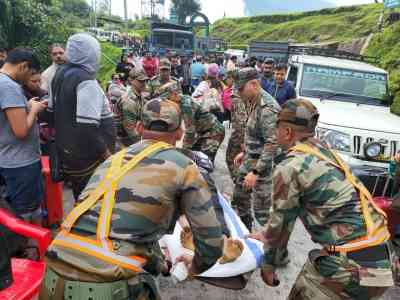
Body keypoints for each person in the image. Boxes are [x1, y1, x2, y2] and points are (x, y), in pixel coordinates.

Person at [40, 98, 223, 300]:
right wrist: (194, 266)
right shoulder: (184, 166)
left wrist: (160, 263)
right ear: (180, 132)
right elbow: (212, 244)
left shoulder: (113, 161)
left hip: (52, 279)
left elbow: (114, 229)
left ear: (138, 127)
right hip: (105, 287)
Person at [249, 99, 396, 299]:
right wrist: (267, 234)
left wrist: (268, 265)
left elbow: (282, 222)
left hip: (351, 268)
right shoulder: (324, 150)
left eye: (277, 129)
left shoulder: (290, 167)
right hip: (384, 264)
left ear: (287, 132)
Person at [48, 33, 116, 201]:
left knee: (81, 198)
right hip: (89, 159)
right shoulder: (86, 81)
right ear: (91, 54)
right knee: (94, 202)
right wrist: (107, 156)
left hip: (70, 154)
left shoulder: (60, 74)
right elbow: (87, 128)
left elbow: (52, 111)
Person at [0, 48, 47, 224]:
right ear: (23, 66)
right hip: (21, 163)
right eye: (31, 73)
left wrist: (25, 106)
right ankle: (33, 249)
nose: (29, 79)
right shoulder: (9, 86)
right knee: (28, 212)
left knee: (11, 210)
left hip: (6, 157)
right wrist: (33, 110)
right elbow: (20, 131)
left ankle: (20, 248)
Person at [232, 68, 281, 231]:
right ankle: (246, 234)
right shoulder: (252, 100)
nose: (238, 93)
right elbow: (255, 133)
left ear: (254, 84)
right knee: (240, 198)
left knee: (263, 213)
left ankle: (271, 248)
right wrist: (245, 152)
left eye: (240, 89)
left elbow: (272, 144)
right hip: (249, 160)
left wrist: (256, 172)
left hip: (263, 167)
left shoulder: (268, 108)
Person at [156, 82, 225, 163]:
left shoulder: (186, 105)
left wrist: (183, 151)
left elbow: (190, 131)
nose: (165, 102)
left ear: (174, 95)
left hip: (214, 132)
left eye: (167, 98)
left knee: (203, 161)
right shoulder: (179, 102)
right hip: (202, 133)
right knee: (192, 157)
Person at [114, 69, 149, 147]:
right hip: (123, 140)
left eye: (145, 81)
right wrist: (142, 146)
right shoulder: (129, 101)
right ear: (131, 81)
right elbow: (130, 129)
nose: (144, 83)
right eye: (141, 81)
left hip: (131, 136)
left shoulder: (140, 96)